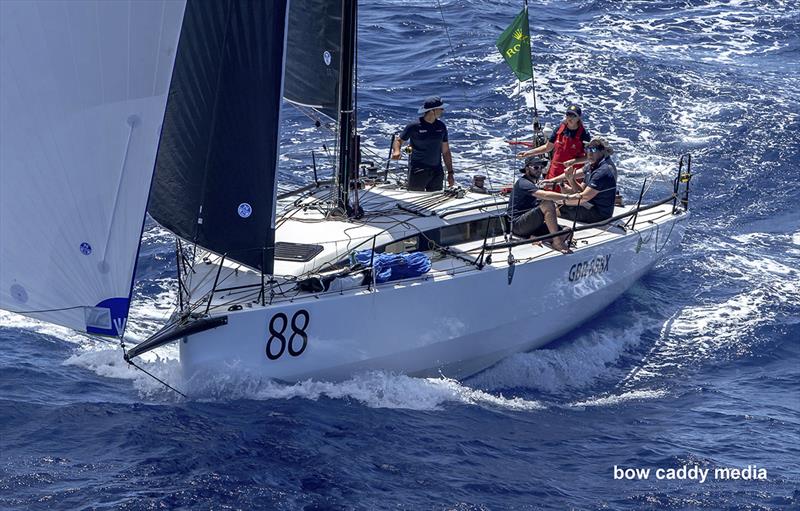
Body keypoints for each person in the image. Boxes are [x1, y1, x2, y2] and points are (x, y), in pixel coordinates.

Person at [518, 104, 590, 192]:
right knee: (550, 195)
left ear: (579, 118)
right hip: (555, 170)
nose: (570, 118)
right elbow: (547, 147)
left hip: (571, 173)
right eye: (568, 114)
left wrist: (574, 161)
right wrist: (528, 153)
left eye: (573, 115)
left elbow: (589, 157)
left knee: (569, 199)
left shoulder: (584, 134)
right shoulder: (560, 129)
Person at [507, 156, 570, 253]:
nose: (539, 170)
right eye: (536, 167)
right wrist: (568, 197)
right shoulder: (523, 183)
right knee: (548, 203)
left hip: (531, 224)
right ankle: (557, 242)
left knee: (567, 231)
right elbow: (545, 195)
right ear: (527, 169)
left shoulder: (533, 184)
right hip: (517, 225)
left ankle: (537, 238)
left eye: (541, 167)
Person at [391, 96, 455, 191]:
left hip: (437, 171)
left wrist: (450, 173)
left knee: (435, 201)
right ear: (432, 110)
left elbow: (445, 151)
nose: (443, 110)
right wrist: (396, 151)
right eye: (441, 108)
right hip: (418, 171)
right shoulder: (414, 126)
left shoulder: (441, 126)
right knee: (413, 201)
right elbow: (398, 141)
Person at [554, 137, 618, 224]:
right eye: (588, 149)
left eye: (594, 149)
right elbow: (581, 190)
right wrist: (570, 179)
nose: (589, 153)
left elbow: (584, 197)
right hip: (589, 204)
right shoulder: (592, 165)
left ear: (603, 151)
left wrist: (562, 201)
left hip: (598, 213)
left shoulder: (602, 171)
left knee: (556, 210)